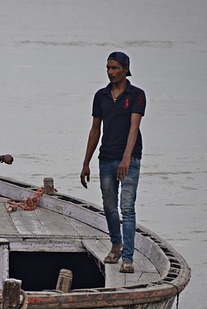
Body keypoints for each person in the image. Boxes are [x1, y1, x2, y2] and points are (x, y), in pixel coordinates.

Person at [80, 52, 146, 274]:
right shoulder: (101, 96)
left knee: (127, 207)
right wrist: (86, 162)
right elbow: (95, 130)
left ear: (126, 69)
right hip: (106, 157)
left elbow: (133, 128)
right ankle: (116, 244)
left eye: (115, 68)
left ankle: (127, 257)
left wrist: (126, 159)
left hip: (130, 157)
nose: (111, 72)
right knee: (109, 205)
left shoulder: (136, 95)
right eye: (108, 68)